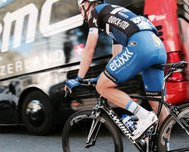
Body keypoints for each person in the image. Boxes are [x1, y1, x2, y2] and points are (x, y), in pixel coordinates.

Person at [65, 0, 169, 140]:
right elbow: (116, 56)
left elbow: (89, 48)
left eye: (81, 9)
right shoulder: (115, 13)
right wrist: (103, 75)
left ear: (87, 4)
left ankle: (145, 116)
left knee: (102, 87)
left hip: (141, 46)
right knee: (158, 106)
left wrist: (79, 78)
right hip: (157, 47)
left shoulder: (95, 13)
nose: (82, 13)